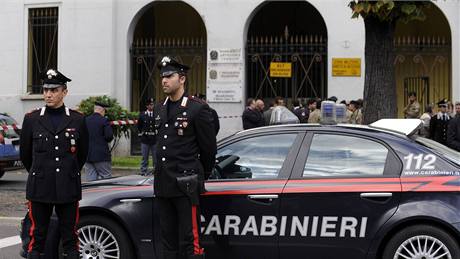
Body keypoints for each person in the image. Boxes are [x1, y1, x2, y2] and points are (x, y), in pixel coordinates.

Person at [19, 69, 89, 259]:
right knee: (36, 239)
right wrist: (39, 172)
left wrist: (68, 172)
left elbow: (81, 155)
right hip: (40, 186)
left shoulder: (78, 119)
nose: (48, 94)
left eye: (54, 90)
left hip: (67, 187)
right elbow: (25, 154)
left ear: (64, 92)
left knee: (70, 239)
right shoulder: (32, 119)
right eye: (45, 90)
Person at [154, 56, 216, 259]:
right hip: (163, 184)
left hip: (185, 184)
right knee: (168, 240)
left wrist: (201, 175)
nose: (164, 80)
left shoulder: (197, 108)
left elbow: (209, 149)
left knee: (191, 241)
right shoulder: (160, 107)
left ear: (182, 79)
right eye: (162, 76)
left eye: (169, 76)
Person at [84, 101, 113, 181]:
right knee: (106, 180)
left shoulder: (85, 120)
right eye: (104, 111)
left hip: (87, 155)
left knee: (91, 181)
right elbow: (109, 136)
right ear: (102, 110)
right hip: (101, 155)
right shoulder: (104, 120)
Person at [137, 98, 157, 175]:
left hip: (154, 139)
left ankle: (155, 170)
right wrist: (141, 134)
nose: (152, 106)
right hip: (145, 139)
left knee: (155, 157)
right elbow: (139, 126)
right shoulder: (142, 115)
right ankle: (143, 170)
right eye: (150, 105)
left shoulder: (156, 114)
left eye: (153, 104)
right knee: (144, 157)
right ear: (147, 106)